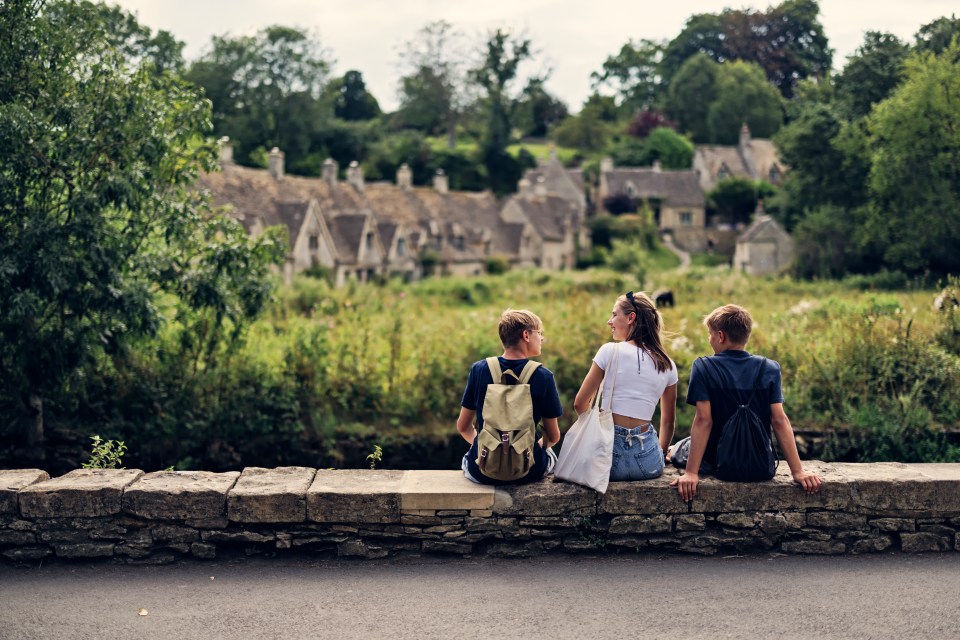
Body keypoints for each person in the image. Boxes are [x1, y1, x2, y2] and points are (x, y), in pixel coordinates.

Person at [670, 304, 822, 501]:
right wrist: (798, 471)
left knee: (681, 447)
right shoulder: (769, 368)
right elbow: (779, 420)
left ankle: (671, 451)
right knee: (683, 446)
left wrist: (691, 473)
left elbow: (703, 421)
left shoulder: (703, 367)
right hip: (760, 464)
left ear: (721, 336)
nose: (710, 339)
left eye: (710, 334)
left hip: (716, 463)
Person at [572, 291, 677, 481]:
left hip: (608, 460)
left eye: (614, 314)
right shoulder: (667, 364)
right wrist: (660, 453)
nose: (609, 321)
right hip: (649, 464)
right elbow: (668, 421)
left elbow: (580, 404)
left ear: (631, 318)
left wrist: (597, 432)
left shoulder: (609, 351)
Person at [457, 309, 562, 485]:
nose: (542, 338)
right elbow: (552, 437)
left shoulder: (479, 369)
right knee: (551, 455)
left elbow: (463, 427)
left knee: (470, 454)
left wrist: (489, 446)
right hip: (528, 472)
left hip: (483, 471)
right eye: (540, 333)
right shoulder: (543, 376)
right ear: (526, 335)